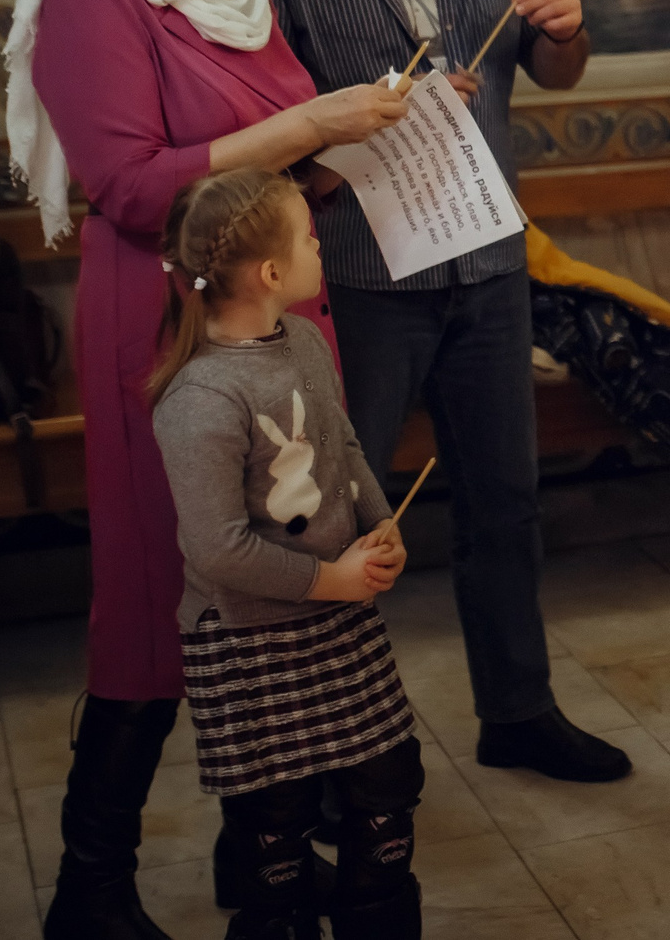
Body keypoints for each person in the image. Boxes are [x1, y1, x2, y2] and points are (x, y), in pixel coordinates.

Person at [6, 0, 410, 940]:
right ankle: (92, 885)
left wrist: (368, 139)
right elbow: (134, 190)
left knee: (285, 601)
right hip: (167, 335)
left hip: (281, 329)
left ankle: (263, 862)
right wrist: (310, 123)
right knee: (157, 599)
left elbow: (266, 172)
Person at [263, 0, 631, 787]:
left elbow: (553, 74)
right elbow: (272, 127)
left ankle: (518, 711)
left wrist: (566, 26)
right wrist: (361, 124)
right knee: (342, 510)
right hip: (364, 270)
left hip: (488, 263)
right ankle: (334, 745)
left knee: (506, 500)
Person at [149, 168, 424, 940]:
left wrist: (378, 519)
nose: (318, 244)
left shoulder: (303, 339)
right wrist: (328, 578)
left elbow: (342, 441)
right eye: (309, 234)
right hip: (250, 642)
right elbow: (219, 549)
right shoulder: (202, 399)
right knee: (277, 828)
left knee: (387, 793)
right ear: (272, 272)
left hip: (339, 627)